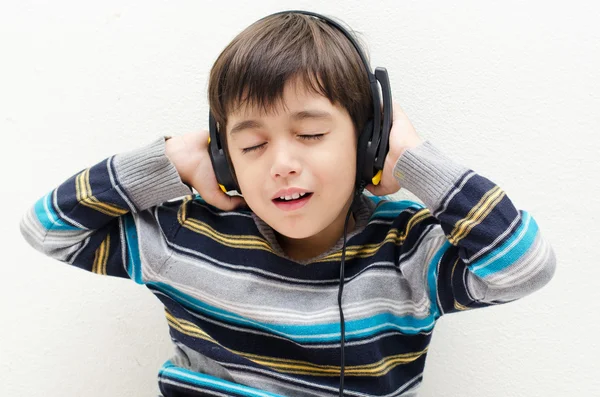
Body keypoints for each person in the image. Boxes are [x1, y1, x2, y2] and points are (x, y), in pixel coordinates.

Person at [19, 10, 556, 397]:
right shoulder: (188, 237)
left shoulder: (409, 253)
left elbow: (523, 268)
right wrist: (170, 157)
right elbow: (48, 229)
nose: (280, 162)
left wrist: (414, 159)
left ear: (368, 141)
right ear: (227, 158)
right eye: (251, 145)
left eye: (310, 134)